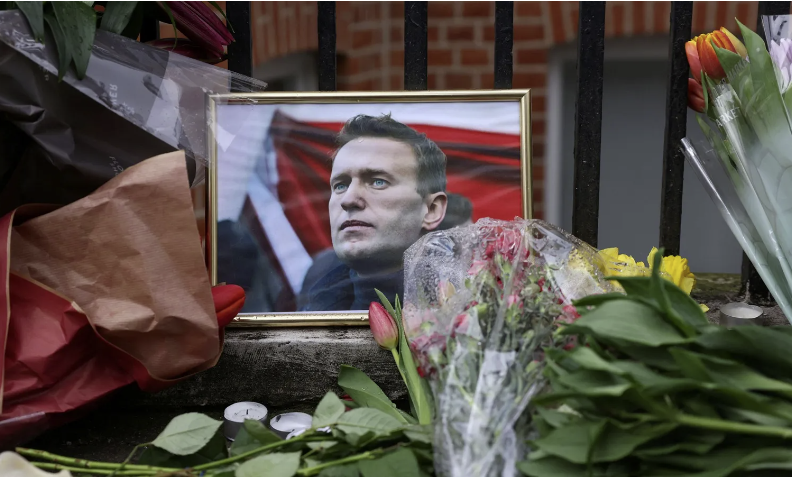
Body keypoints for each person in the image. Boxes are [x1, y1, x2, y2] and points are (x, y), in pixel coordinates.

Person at [299, 114, 448, 311]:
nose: (348, 200)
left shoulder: (475, 308)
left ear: (431, 210)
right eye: (340, 185)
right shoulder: (311, 306)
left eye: (378, 182)